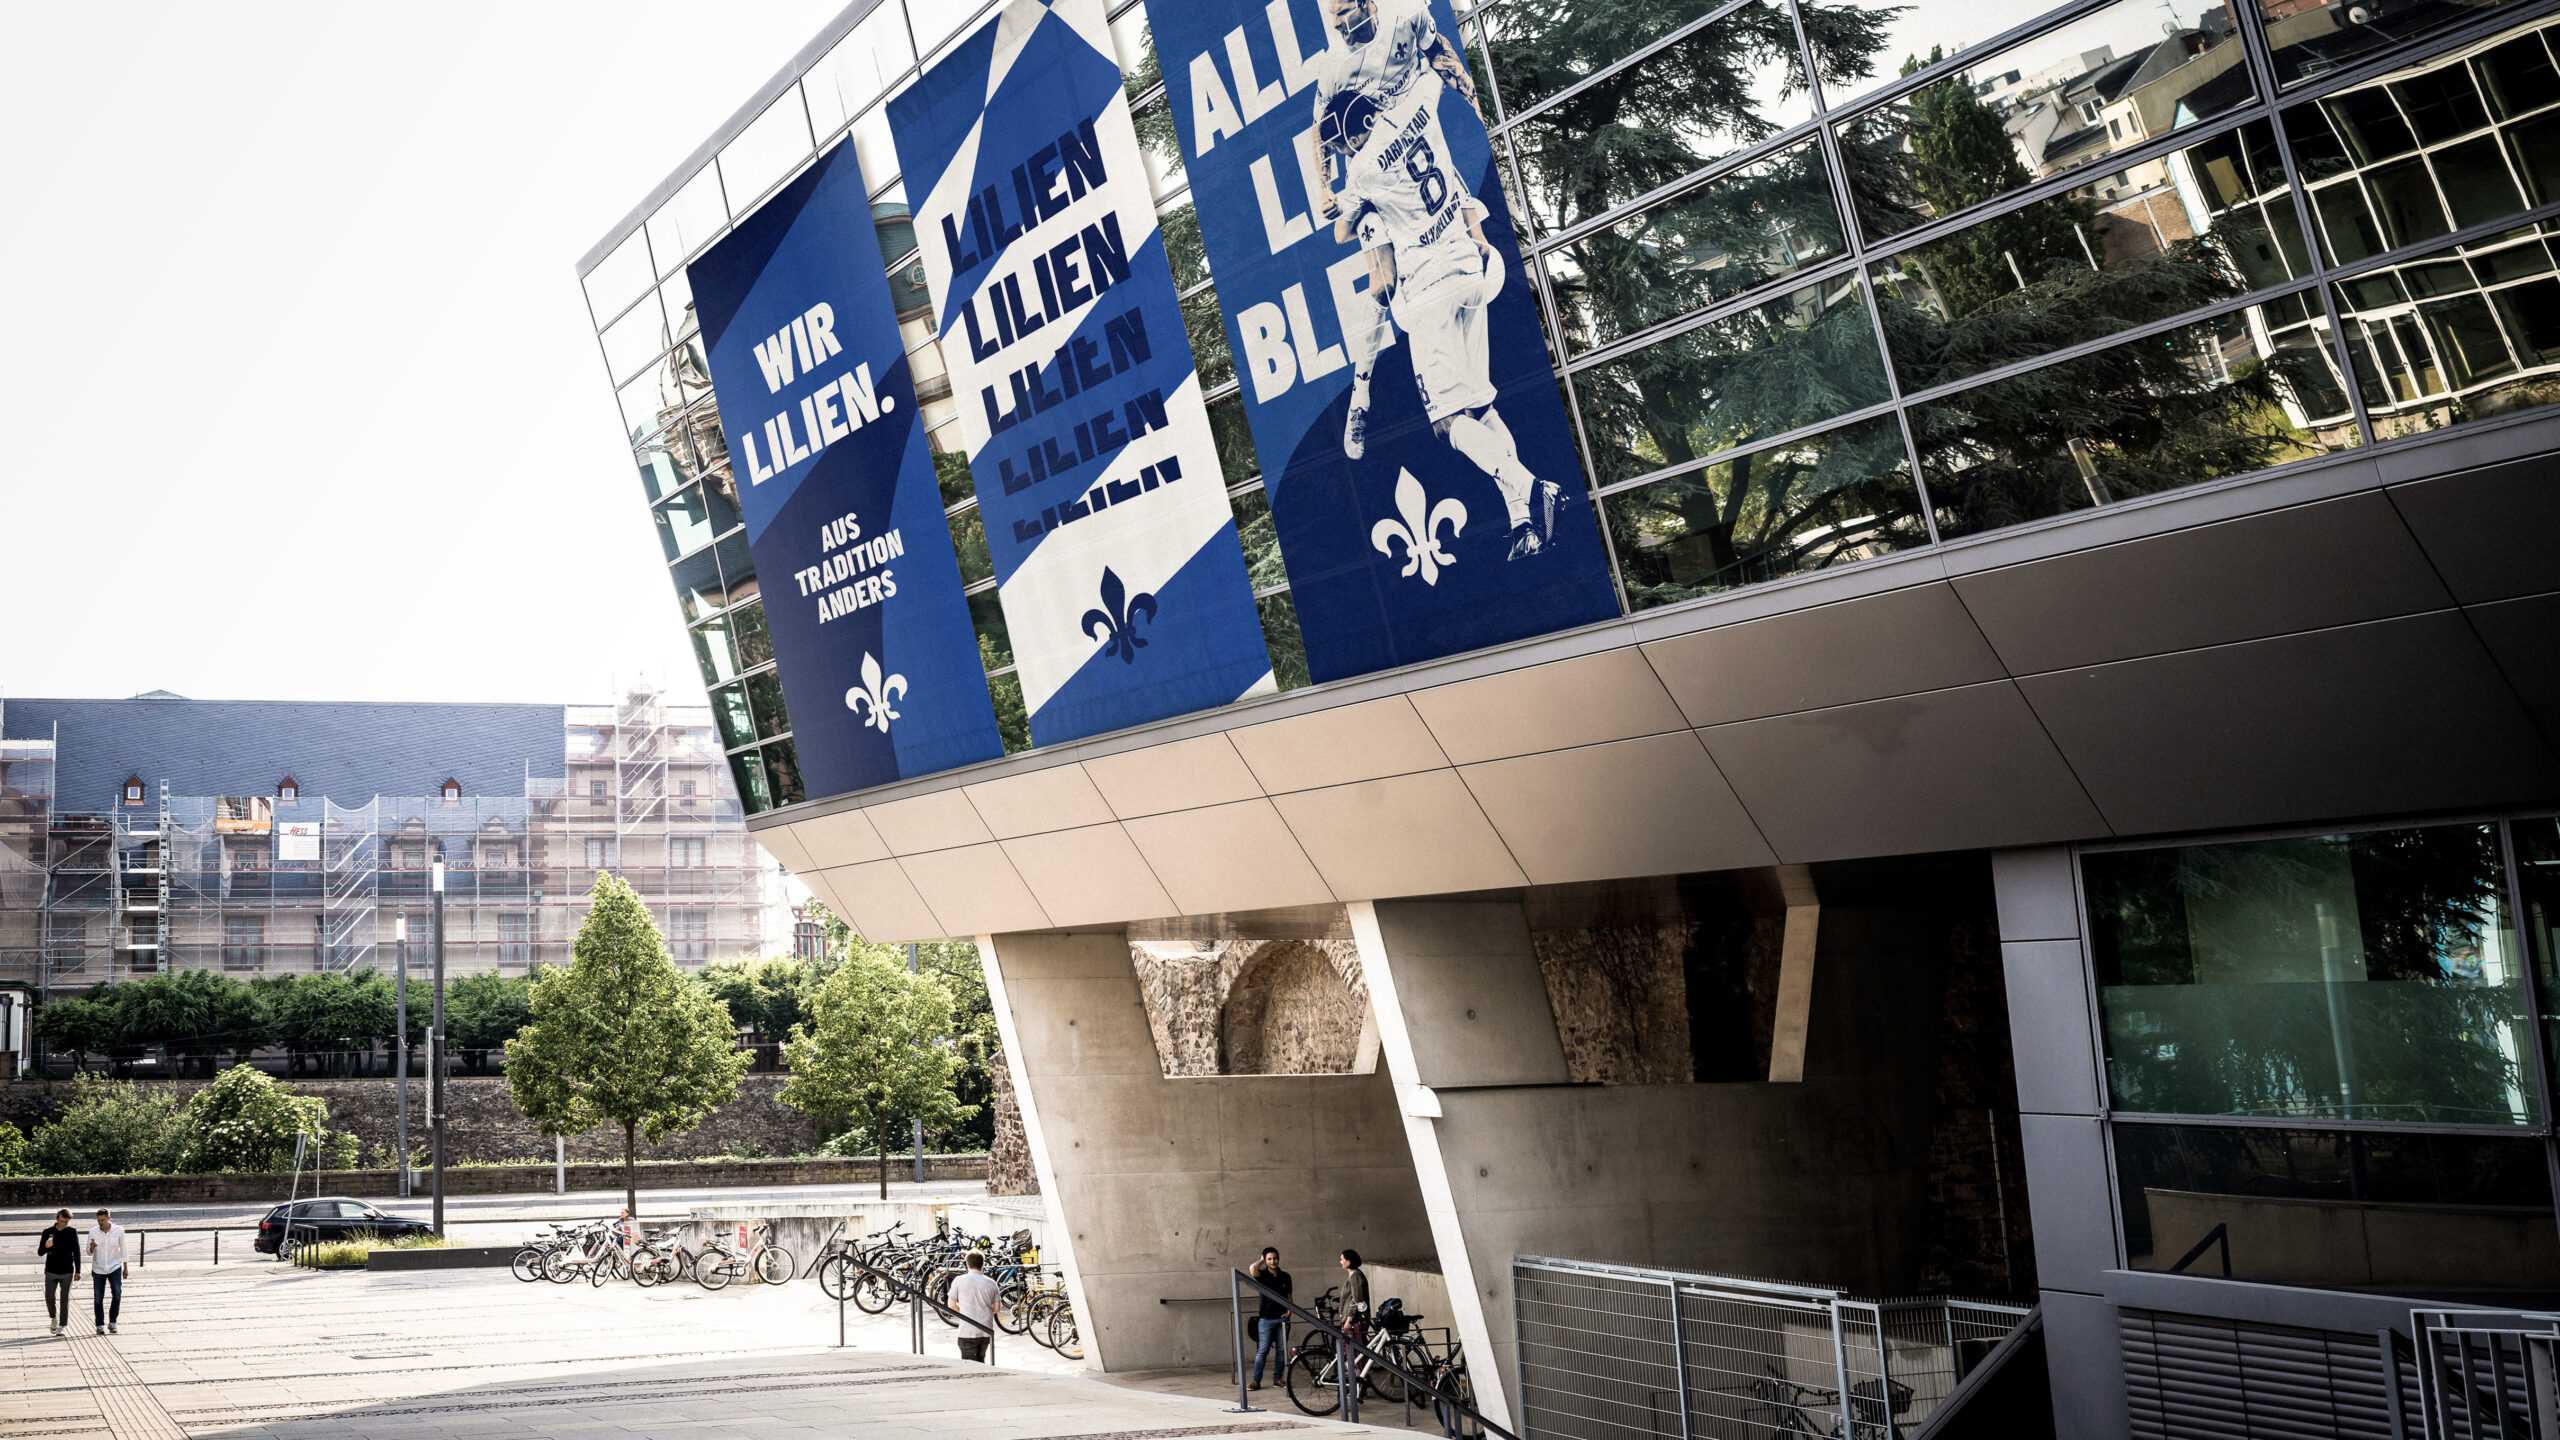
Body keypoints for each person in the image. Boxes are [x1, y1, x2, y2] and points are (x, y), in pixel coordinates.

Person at [1310, 0, 1564, 562]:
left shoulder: (1363, 168)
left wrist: (1336, 199)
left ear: (1351, 137)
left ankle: (1532, 489)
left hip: (1429, 295)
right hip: (1472, 269)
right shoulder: (1418, 103)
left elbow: (1340, 230)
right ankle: (1523, 523)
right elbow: (1444, 72)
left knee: (1449, 424)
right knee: (1482, 407)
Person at [1247, 1245, 1293, 1390]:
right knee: (1263, 1350)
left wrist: (1290, 1310)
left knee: (1281, 1350)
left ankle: (1278, 1379)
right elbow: (1252, 1269)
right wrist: (1261, 1259)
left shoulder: (1285, 1276)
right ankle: (1256, 1381)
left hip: (1282, 1318)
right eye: (1269, 1259)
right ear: (1265, 1260)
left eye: (1275, 1258)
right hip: (1266, 1319)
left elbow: (1289, 1296)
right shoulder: (1262, 1275)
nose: (1273, 1261)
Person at [947, 1249, 1002, 1364]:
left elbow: (951, 1305)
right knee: (981, 1362)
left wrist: (964, 1311)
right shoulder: (992, 1283)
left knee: (970, 1367)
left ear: (967, 1264)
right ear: (983, 1264)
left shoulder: (959, 1280)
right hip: (986, 1331)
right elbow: (996, 1308)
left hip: (967, 1331)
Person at [37, 1208, 79, 1338]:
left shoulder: (72, 1232)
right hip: (51, 1270)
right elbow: (40, 1252)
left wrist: (78, 1270)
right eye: (62, 1221)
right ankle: (53, 1317)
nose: (64, 1224)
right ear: (57, 1219)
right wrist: (46, 1246)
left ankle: (62, 1325)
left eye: (66, 1222)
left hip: (67, 1271)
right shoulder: (48, 1232)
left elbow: (76, 1252)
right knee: (49, 1297)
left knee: (64, 1299)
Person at [86, 1208, 127, 1335]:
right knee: (98, 1298)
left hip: (114, 1267)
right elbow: (88, 1252)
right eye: (98, 1220)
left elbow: (124, 1249)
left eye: (103, 1220)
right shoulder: (93, 1232)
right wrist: (91, 1248)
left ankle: (113, 1322)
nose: (100, 1223)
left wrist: (125, 1267)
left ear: (109, 1218)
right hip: (98, 1269)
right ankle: (99, 1325)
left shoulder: (119, 1230)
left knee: (117, 1294)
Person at [1338, 1248, 1370, 1361]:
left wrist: (1349, 1320)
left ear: (1349, 1261)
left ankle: (1358, 1377)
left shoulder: (1355, 1276)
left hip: (1355, 1321)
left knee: (1355, 1355)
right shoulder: (1353, 1275)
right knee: (1354, 1354)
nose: (1340, 1262)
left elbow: (1357, 1299)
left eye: (1342, 1259)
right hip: (1353, 1321)